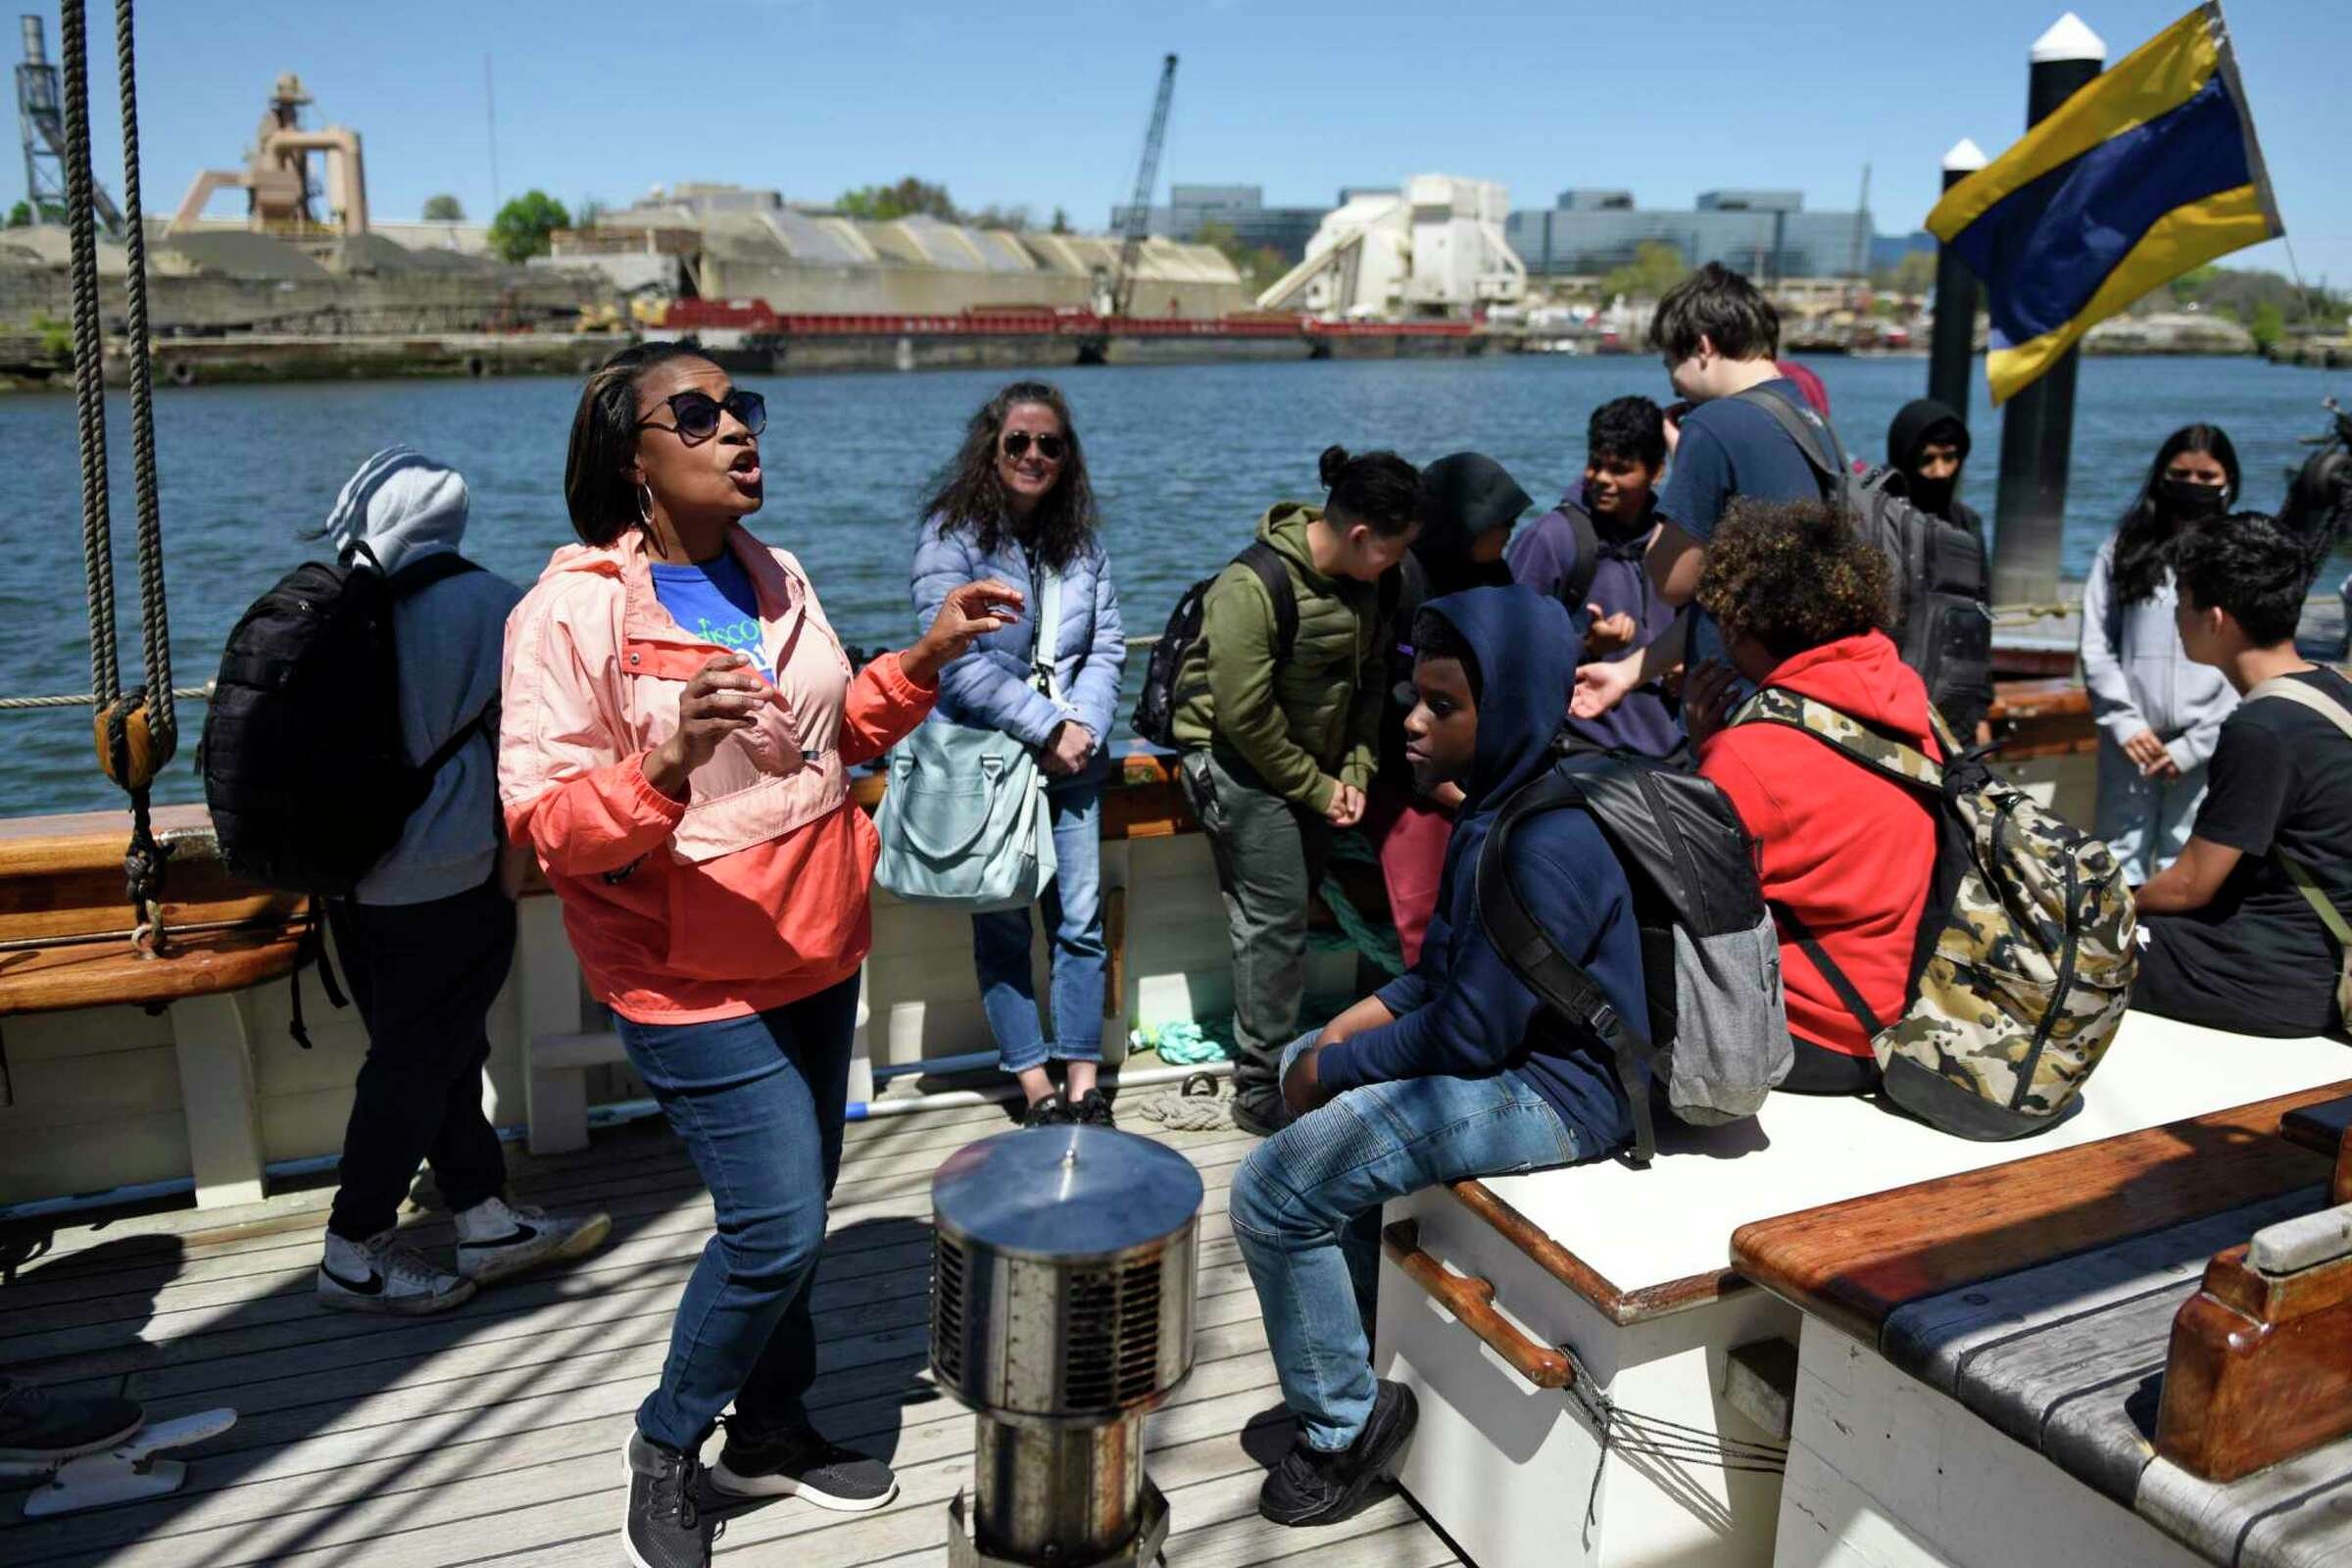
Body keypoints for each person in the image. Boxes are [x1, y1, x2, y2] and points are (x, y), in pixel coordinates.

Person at [501, 342, 1015, 1568]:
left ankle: (772, 1428)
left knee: (790, 1211)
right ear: (631, 459)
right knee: (779, 1225)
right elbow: (546, 828)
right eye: (699, 414)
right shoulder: (570, 612)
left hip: (818, 939)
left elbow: (827, 738)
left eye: (743, 409)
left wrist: (929, 659)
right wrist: (662, 767)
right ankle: (668, 1441)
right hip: (686, 975)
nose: (738, 431)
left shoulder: (772, 572)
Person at [1228, 585, 1643, 1526]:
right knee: (1304, 1058)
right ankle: (1353, 1350)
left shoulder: (1543, 841)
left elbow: (1468, 1034)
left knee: (1273, 1190)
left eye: (1443, 706)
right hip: (1507, 1052)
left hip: (1564, 1093)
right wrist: (1331, 1041)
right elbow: (1437, 977)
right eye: (1416, 695)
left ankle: (1343, 1428)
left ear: (1509, 712)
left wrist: (1329, 1075)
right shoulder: (1496, 808)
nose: (1411, 720)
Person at [305, 448, 611, 1316]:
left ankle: (481, 1212)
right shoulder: (494, 605)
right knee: (416, 1059)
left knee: (430, 1050)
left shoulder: (335, 600)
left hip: (346, 877)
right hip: (447, 876)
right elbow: (530, 763)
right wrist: (510, 879)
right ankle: (353, 1247)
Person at [1171, 446, 1420, 1136]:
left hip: (1313, 771)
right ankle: (1259, 1090)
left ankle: (1304, 1058)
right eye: (1393, 551)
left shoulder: (1373, 585)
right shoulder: (1250, 588)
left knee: (1293, 908)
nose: (1399, 567)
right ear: (1361, 535)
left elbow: (1370, 683)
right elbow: (1244, 715)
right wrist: (1318, 789)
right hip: (1235, 764)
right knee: (1275, 923)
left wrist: (1359, 770)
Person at [910, 382, 1125, 1127]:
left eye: (1051, 445)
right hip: (990, 762)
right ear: (991, 448)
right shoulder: (952, 536)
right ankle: (1033, 1087)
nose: (1035, 455)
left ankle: (1081, 1081)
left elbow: (1107, 646)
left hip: (1076, 761)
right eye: (1019, 443)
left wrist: (1085, 728)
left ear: (1068, 458)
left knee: (1081, 923)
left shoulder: (1083, 541)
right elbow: (954, 660)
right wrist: (1045, 726)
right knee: (1002, 925)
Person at [1681, 500, 1941, 1095]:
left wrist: (1709, 754)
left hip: (1819, 1035)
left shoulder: (1751, 754)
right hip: (1906, 1013)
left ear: (1742, 624)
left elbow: (1702, 896)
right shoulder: (1903, 693)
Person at [1572, 264, 1828, 724]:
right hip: (1805, 689)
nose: (1673, 380)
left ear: (1704, 347)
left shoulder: (1715, 425)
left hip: (1738, 703)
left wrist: (1682, 463)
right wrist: (1629, 673)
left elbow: (1670, 581)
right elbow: (1732, 593)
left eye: (1672, 362)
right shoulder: (1809, 420)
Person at [2133, 516, 2352, 1039]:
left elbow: (2189, 887)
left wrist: (2099, 899)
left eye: (2181, 603)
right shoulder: (2333, 691)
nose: (2177, 619)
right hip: (2320, 956)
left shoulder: (2262, 728)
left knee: (2069, 943)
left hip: (2273, 976)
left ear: (2214, 618)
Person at [1365, 451, 1528, 968]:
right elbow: (1383, 692)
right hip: (1405, 766)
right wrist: (1430, 779)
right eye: (1501, 525)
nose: (1509, 535)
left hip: (1481, 767)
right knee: (1424, 909)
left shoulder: (1496, 575)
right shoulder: (1401, 582)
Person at [2081, 425, 2243, 883]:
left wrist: (2197, 744)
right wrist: (2123, 721)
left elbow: (2245, 655)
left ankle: (2177, 953)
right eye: (2180, 473)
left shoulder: (2237, 552)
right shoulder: (2123, 545)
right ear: (2160, 476)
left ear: (2228, 480)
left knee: (2187, 857)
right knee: (2116, 855)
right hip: (2130, 738)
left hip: (2209, 740)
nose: (2192, 485)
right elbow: (2095, 639)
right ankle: (2116, 952)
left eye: (2205, 476)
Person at [1508, 395, 1684, 757]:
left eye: (1620, 469)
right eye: (1595, 464)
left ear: (1657, 472)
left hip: (1676, 751)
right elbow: (1508, 654)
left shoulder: (1676, 540)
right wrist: (1587, 646)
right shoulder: (1550, 539)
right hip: (1583, 752)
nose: (1602, 479)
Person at [1886, 396, 1995, 740]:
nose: (1940, 472)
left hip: (1955, 707)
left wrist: (1981, 710)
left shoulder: (1967, 524)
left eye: (1950, 458)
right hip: (1893, 696)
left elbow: (1980, 619)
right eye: (1928, 460)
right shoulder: (1884, 520)